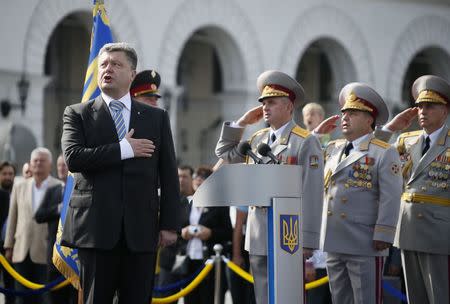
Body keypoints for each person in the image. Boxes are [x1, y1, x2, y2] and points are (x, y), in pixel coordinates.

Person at [60, 42, 181, 304]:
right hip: (95, 230)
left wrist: (170, 224)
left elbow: (169, 174)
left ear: (132, 73)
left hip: (141, 231)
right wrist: (122, 149)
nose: (108, 69)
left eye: (116, 64)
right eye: (103, 64)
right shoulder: (78, 114)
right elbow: (73, 158)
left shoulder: (155, 117)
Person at [215, 70, 324, 304]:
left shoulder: (305, 141)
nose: (265, 107)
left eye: (272, 102)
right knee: (263, 297)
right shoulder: (257, 140)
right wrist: (242, 123)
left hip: (289, 234)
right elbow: (224, 153)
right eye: (263, 102)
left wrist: (308, 240)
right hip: (258, 233)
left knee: (288, 296)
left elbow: (312, 193)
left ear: (288, 106)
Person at [318, 83, 403, 304]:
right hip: (334, 239)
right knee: (340, 299)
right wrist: (316, 133)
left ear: (369, 120)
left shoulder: (384, 152)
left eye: (353, 113)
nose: (344, 118)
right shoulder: (334, 148)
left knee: (366, 299)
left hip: (364, 241)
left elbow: (391, 197)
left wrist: (384, 234)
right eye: (344, 113)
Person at [374, 75, 450, 304]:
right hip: (408, 229)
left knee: (440, 295)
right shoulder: (406, 140)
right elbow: (372, 156)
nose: (422, 111)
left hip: (440, 232)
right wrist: (391, 128)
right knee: (415, 297)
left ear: (444, 111)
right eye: (419, 106)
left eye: (430, 106)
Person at [4, 148, 61, 304]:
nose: (38, 163)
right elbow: (13, 217)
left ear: (50, 165)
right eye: (35, 160)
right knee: (21, 298)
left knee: (43, 298)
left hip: (45, 252)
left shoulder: (58, 187)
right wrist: (8, 245)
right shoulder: (19, 186)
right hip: (21, 250)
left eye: (42, 160)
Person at [180, 166, 232, 304]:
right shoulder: (186, 203)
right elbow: (176, 229)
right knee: (189, 299)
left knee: (207, 298)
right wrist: (183, 232)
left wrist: (211, 233)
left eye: (203, 177)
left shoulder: (219, 205)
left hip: (209, 262)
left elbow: (228, 232)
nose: (198, 179)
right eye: (196, 176)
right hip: (188, 261)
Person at [34, 154, 77, 303]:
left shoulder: (79, 189)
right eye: (59, 165)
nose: (61, 168)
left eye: (64, 165)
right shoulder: (52, 190)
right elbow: (39, 215)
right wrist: (58, 209)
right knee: (55, 298)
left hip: (75, 256)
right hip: (55, 254)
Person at [0, 161, 15, 304]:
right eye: (4, 174)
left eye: (10, 174)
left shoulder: (19, 194)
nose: (7, 177)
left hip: (12, 247)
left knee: (11, 285)